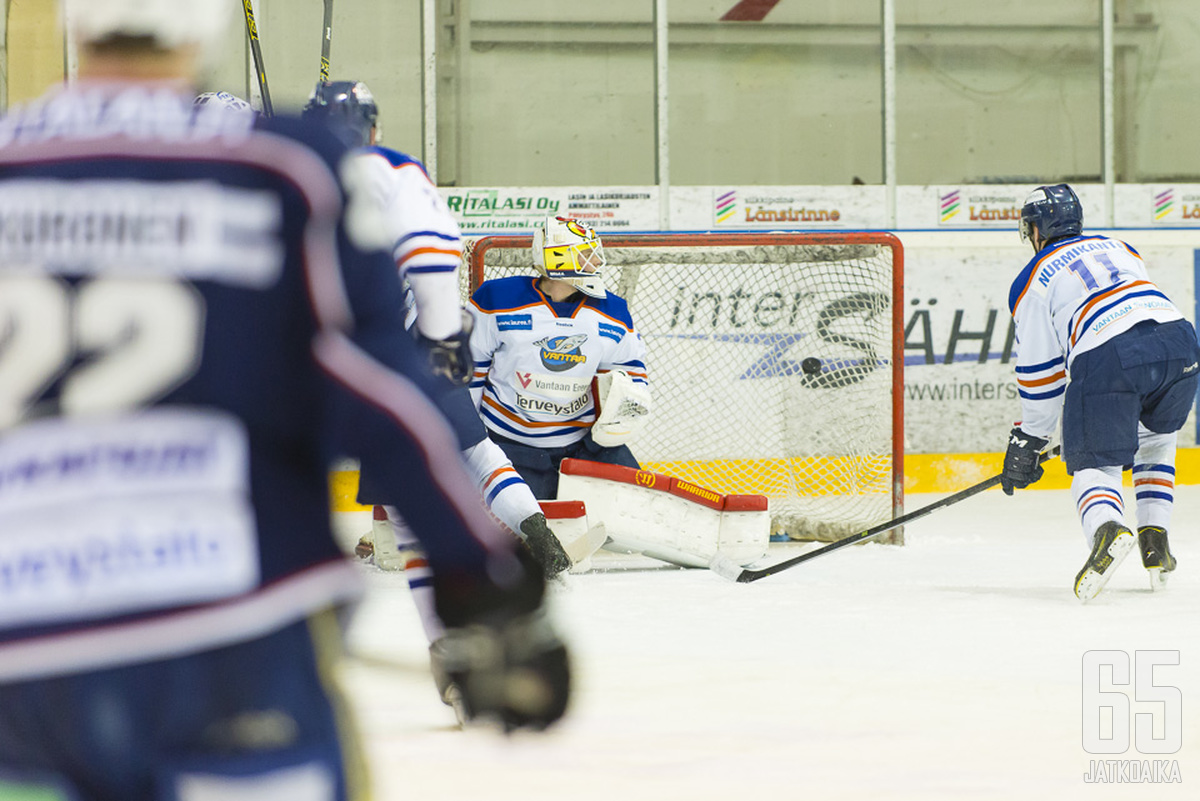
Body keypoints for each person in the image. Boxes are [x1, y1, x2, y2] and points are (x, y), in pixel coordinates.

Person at [0, 4, 569, 799]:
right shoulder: (286, 171)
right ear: (203, 32)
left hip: (24, 653)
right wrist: (481, 584)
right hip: (235, 640)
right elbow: (385, 400)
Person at [300, 80, 572, 578]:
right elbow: (434, 256)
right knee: (469, 449)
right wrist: (442, 338)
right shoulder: (396, 169)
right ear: (375, 128)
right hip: (398, 344)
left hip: (305, 354)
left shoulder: (280, 168)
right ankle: (532, 531)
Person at [1000, 183, 1200, 602]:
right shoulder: (1119, 246)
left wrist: (1030, 438)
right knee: (1156, 440)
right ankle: (1155, 536)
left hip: (1109, 350)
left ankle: (1108, 528)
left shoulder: (1033, 278)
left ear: (1036, 229)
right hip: (1181, 343)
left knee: (1094, 464)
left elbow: (1042, 372)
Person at [468, 215, 653, 499]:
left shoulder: (612, 311)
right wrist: (468, 440)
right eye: (584, 254)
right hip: (510, 445)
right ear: (555, 259)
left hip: (585, 445)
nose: (595, 262)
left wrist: (622, 412)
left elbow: (630, 371)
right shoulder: (497, 299)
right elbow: (469, 372)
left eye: (593, 253)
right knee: (526, 527)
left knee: (637, 503)